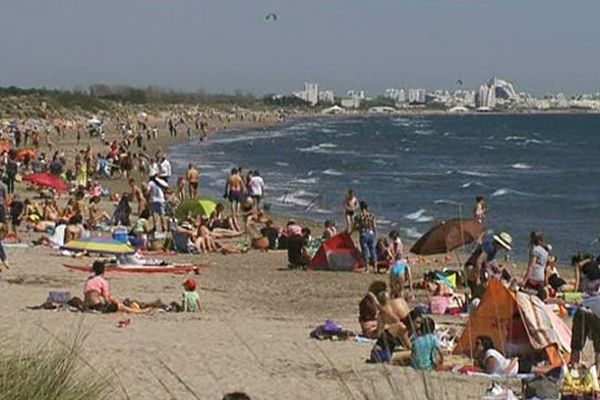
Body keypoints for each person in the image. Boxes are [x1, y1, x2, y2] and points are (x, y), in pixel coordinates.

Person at [464, 232, 512, 298]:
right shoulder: (490, 248)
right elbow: (479, 261)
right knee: (482, 292)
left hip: (472, 268)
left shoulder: (490, 246)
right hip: (472, 268)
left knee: (479, 292)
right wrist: (478, 278)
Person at [353, 201, 377, 273]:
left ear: (361, 207)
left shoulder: (358, 216)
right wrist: (375, 234)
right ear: (367, 207)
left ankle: (367, 268)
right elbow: (374, 226)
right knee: (373, 250)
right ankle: (375, 268)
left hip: (363, 233)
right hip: (371, 233)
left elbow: (355, 226)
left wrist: (351, 232)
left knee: (365, 251)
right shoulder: (372, 215)